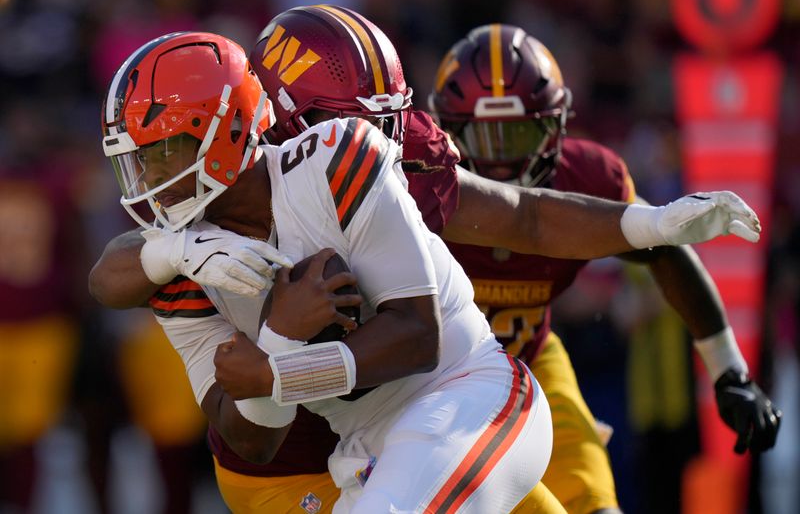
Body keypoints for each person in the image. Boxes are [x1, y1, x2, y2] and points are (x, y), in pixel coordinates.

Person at [89, 7, 766, 514]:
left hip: (466, 393)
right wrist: (187, 261)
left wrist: (647, 224)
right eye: (348, 117)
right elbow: (115, 278)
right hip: (310, 460)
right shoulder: (184, 247)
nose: (384, 141)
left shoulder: (364, 156)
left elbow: (518, 219)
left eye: (385, 119)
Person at [97, 30, 562, 513]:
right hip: (364, 453)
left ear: (228, 130)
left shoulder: (332, 159)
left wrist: (277, 371)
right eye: (136, 162)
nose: (150, 182)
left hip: (466, 398)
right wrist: (279, 337)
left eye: (160, 154)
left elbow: (419, 337)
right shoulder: (185, 262)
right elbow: (252, 440)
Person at [426, 23, 783, 513]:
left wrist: (729, 371)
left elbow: (664, 251)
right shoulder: (415, 189)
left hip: (532, 364)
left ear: (556, 127)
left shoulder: (588, 177)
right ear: (446, 131)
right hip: (429, 385)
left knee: (598, 506)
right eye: (484, 137)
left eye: (519, 132)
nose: (503, 161)